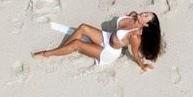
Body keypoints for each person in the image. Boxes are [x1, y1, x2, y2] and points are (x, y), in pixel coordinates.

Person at [35, 10, 163, 70]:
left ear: (146, 25)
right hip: (107, 38)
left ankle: (48, 54)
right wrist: (132, 16)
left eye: (146, 16)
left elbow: (135, 53)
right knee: (83, 27)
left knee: (76, 44)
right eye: (146, 12)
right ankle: (61, 50)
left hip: (109, 51)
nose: (143, 13)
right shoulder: (133, 15)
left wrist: (142, 65)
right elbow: (132, 13)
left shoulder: (135, 36)